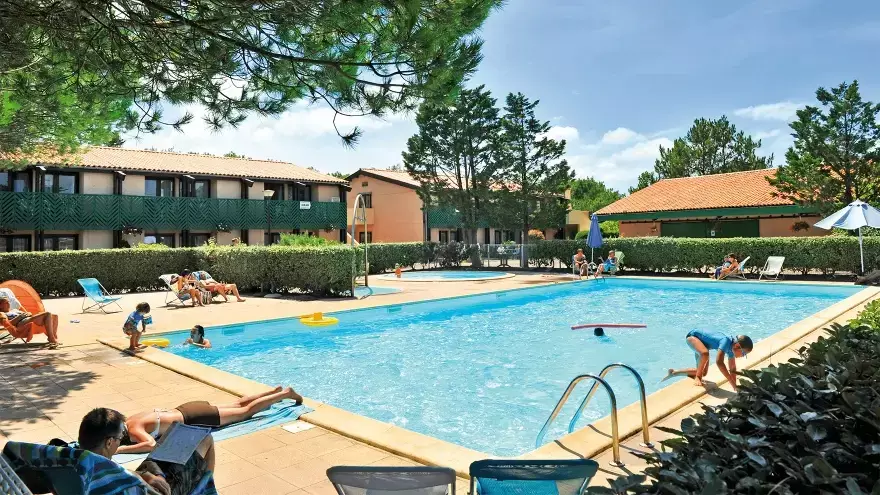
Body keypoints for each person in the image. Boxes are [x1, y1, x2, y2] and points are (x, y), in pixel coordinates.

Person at [118, 386, 303, 454]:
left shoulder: (133, 430)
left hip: (194, 418)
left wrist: (120, 450)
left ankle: (285, 394)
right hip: (188, 408)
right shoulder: (131, 420)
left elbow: (150, 445)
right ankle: (272, 392)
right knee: (237, 404)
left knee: (244, 412)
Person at [78, 407, 215, 495]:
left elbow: (116, 473)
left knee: (168, 442)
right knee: (205, 438)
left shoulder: (77, 465)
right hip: (160, 491)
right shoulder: (108, 476)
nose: (120, 441)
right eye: (120, 438)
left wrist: (146, 475)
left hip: (140, 483)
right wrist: (152, 480)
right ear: (109, 442)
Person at [665, 330, 753, 392]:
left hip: (703, 345)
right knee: (705, 354)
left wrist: (735, 386)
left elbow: (732, 369)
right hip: (692, 337)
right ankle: (698, 377)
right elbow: (719, 362)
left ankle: (674, 372)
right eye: (744, 353)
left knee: (703, 372)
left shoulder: (731, 350)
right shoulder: (726, 341)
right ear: (737, 346)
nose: (743, 356)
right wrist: (730, 380)